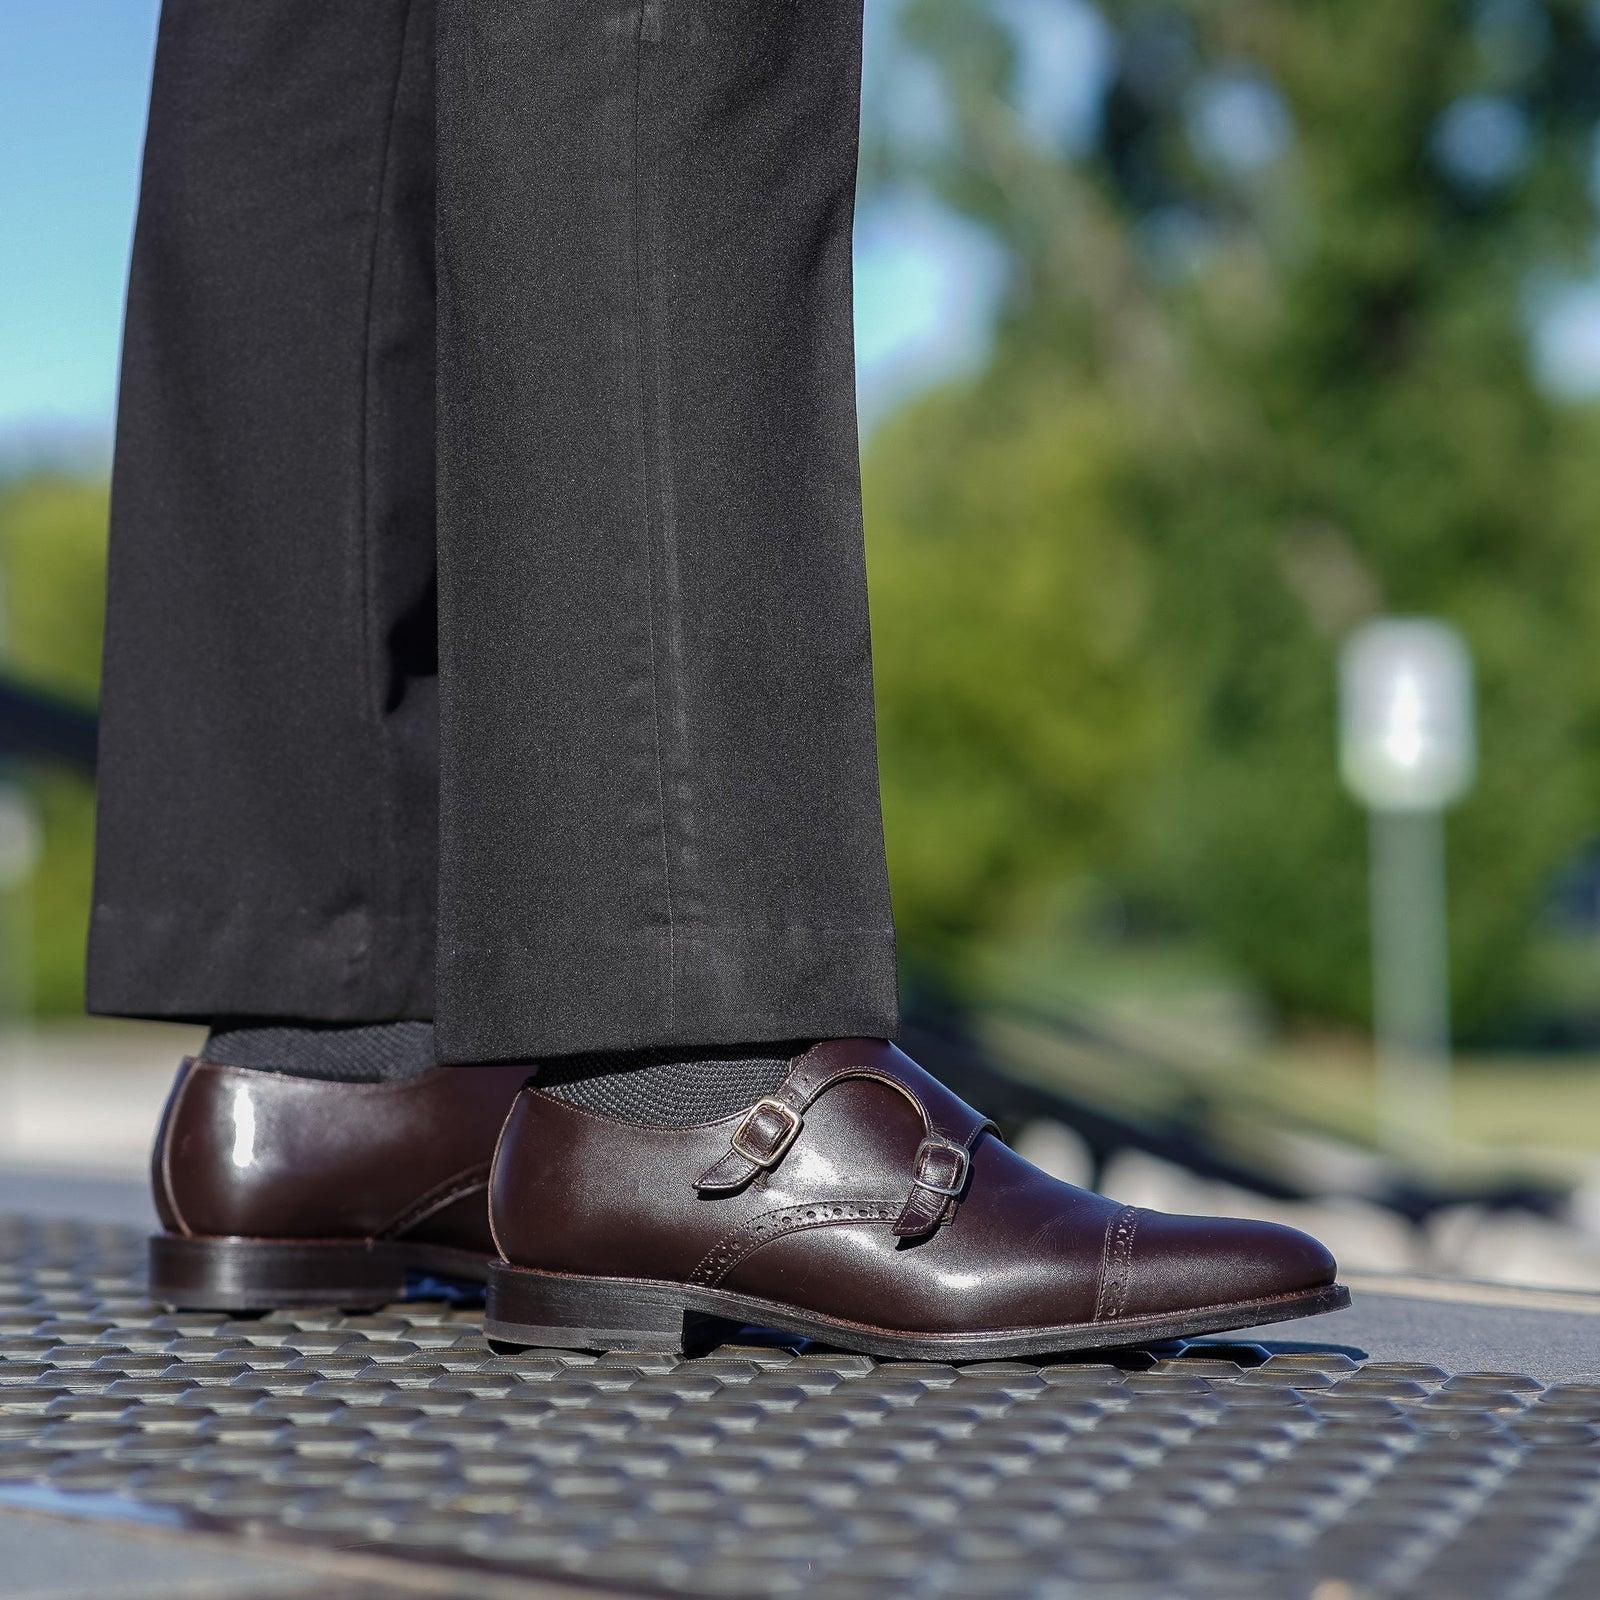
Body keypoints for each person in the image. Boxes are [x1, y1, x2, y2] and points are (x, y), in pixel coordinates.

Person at [96, 0, 1345, 1357]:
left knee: (317, 38)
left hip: (330, 1104)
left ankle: (330, 1077)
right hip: (694, 1108)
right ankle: (692, 1079)